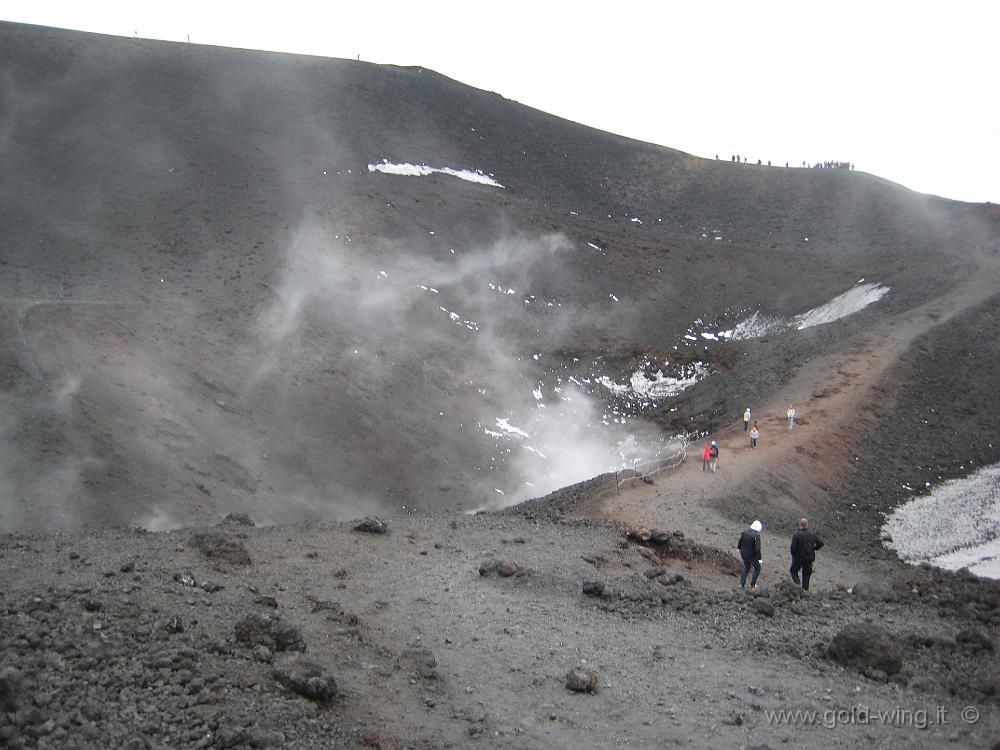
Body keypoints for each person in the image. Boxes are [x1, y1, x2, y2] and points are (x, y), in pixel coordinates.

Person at [790, 518, 824, 591]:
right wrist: (814, 549)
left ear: (800, 525)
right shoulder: (812, 534)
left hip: (798, 558)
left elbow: (793, 548)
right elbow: (821, 543)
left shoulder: (796, 535)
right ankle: (805, 591)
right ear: (807, 525)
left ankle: (798, 584)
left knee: (793, 571)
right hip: (809, 558)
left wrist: (794, 555)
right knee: (806, 575)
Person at [737, 520, 764, 588]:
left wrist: (738, 548)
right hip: (751, 556)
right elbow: (757, 549)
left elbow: (740, 541)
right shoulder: (756, 536)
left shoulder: (745, 532)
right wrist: (759, 559)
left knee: (746, 567)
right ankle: (752, 584)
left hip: (743, 553)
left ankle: (741, 584)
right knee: (757, 568)